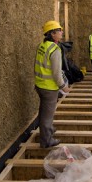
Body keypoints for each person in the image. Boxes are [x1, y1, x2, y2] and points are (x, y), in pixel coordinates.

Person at [34, 20, 70, 148]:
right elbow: (56, 73)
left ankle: (47, 130)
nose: (62, 32)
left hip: (39, 84)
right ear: (52, 33)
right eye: (59, 30)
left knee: (44, 111)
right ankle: (46, 141)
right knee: (47, 115)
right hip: (49, 87)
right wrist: (63, 87)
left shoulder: (42, 46)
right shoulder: (54, 49)